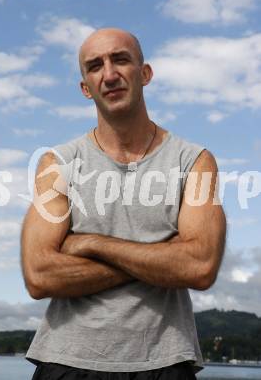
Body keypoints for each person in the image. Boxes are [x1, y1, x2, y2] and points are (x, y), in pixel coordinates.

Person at [21, 27, 226, 380]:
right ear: (85, 87)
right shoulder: (58, 164)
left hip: (165, 363)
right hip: (66, 361)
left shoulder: (194, 161)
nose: (110, 74)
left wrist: (90, 243)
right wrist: (163, 256)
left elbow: (199, 267)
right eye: (95, 66)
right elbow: (40, 275)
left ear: (144, 74)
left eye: (120, 59)